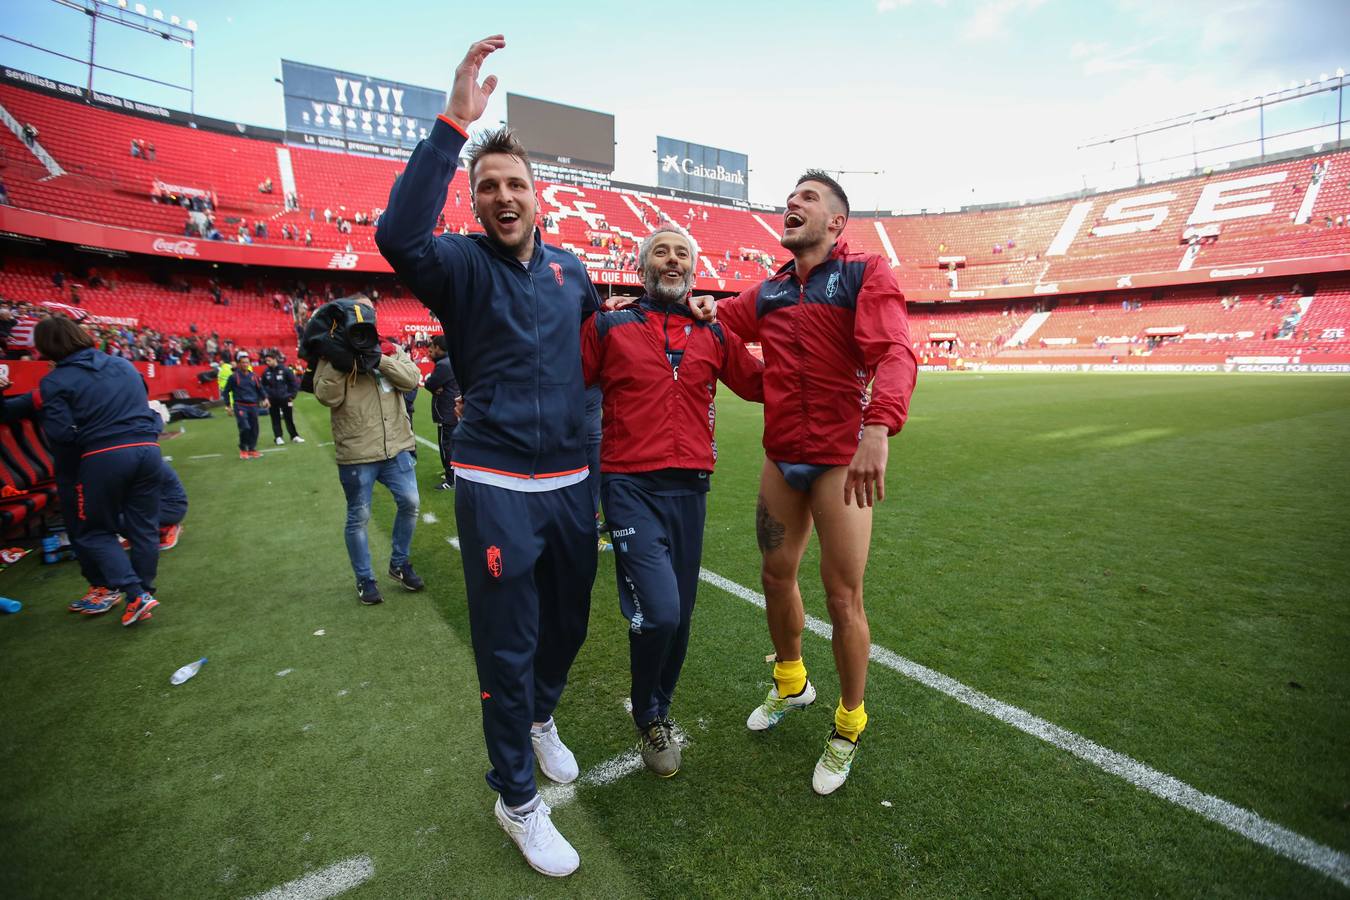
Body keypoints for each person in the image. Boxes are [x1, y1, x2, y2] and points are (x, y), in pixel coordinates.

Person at [375, 35, 599, 879]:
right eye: (489, 187)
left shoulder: (573, 272)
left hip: (573, 482)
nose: (505, 197)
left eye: (516, 185)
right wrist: (451, 127)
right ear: (474, 202)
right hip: (497, 482)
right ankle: (516, 800)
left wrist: (598, 461)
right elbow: (397, 232)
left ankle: (542, 719)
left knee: (570, 625)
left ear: (540, 198)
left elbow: (592, 370)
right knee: (507, 647)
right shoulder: (458, 264)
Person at [696, 170, 917, 796]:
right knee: (774, 573)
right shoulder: (768, 291)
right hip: (781, 456)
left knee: (842, 596)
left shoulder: (863, 275)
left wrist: (878, 428)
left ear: (836, 222)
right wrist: (703, 306)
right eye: (791, 198)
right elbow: (724, 320)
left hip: (839, 456)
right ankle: (791, 682)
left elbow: (895, 353)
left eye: (808, 198)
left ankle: (848, 724)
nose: (793, 204)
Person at [581, 226, 763, 777]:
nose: (672, 259)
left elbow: (759, 384)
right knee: (658, 611)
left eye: (682, 253)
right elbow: (564, 385)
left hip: (691, 489)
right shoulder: (608, 325)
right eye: (661, 251)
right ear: (643, 268)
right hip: (629, 486)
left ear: (692, 269)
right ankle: (648, 712)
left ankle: (659, 708)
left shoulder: (713, 332)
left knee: (680, 617)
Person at [33, 316, 164, 625]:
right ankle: (142, 593)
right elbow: (145, 405)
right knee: (144, 527)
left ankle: (135, 594)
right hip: (148, 449)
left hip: (104, 455)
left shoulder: (55, 380)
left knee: (92, 531)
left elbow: (61, 434)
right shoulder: (121, 364)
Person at [313, 299, 425, 606]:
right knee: (358, 517)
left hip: (396, 447)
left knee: (411, 502)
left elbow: (412, 379)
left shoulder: (387, 347)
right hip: (357, 450)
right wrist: (341, 361)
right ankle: (365, 579)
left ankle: (399, 563)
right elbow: (326, 396)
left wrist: (379, 359)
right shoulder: (331, 353)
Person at [423, 335, 459, 490]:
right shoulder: (452, 360)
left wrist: (432, 385)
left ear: (438, 347)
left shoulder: (444, 365)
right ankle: (452, 474)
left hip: (446, 411)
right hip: (452, 410)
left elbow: (430, 383)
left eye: (433, 347)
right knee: (452, 444)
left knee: (446, 445)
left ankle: (450, 480)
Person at [222, 354, 268, 459]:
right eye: (243, 362)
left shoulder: (254, 376)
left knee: (254, 428)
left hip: (253, 406)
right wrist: (228, 406)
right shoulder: (234, 377)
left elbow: (260, 389)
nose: (245, 364)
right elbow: (226, 391)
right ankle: (243, 449)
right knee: (245, 427)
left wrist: (265, 399)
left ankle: (252, 449)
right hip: (240, 406)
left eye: (247, 362)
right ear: (239, 364)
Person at [260, 352, 304, 445]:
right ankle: (278, 437)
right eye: (266, 361)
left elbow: (293, 383)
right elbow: (262, 386)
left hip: (286, 399)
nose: (267, 362)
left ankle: (294, 436)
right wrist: (265, 397)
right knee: (275, 418)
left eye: (269, 360)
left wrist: (292, 396)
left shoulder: (285, 370)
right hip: (272, 400)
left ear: (275, 359)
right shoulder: (266, 372)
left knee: (289, 418)